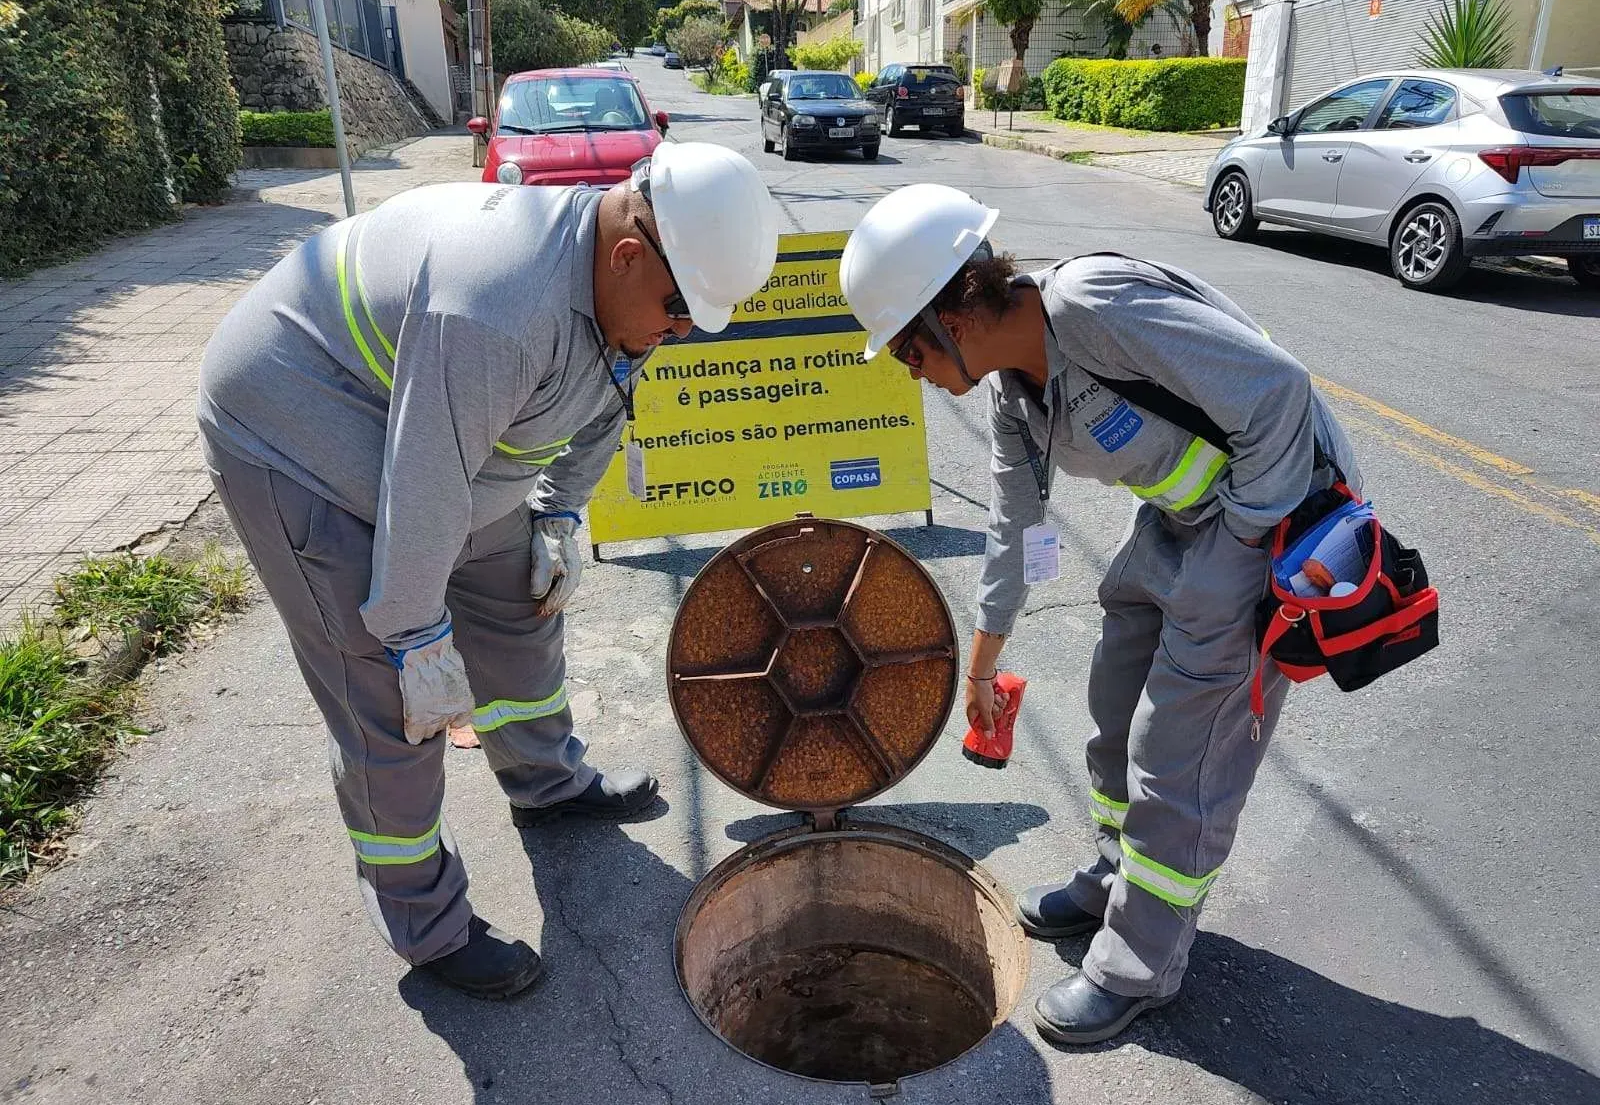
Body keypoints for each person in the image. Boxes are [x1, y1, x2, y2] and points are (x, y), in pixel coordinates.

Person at [197, 142, 780, 1000]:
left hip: (428, 430)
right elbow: (424, 484)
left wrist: (554, 511)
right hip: (296, 428)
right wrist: (414, 633)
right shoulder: (497, 310)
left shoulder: (631, 288)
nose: (680, 331)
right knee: (389, 699)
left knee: (517, 600)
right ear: (629, 252)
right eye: (676, 310)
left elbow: (607, 399)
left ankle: (545, 782)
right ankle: (426, 926)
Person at [839, 184, 1362, 1045]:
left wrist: (1234, 555)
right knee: (1114, 701)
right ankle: (1119, 874)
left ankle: (1140, 963)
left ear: (953, 314)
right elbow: (1011, 529)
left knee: (1179, 749)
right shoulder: (1015, 397)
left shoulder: (1091, 304)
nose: (915, 375)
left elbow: (1281, 396)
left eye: (907, 352)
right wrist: (979, 667)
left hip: (1269, 519)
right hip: (1178, 520)